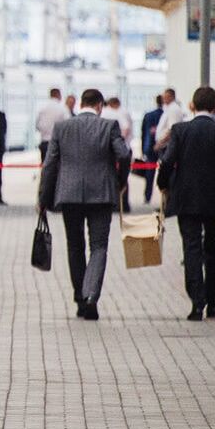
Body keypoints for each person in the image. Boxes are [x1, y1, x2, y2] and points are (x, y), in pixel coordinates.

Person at [39, 88, 130, 321]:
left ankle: (80, 298)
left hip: (69, 195)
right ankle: (91, 296)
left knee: (75, 246)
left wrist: (43, 198)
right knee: (99, 246)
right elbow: (124, 154)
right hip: (101, 194)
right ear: (100, 105)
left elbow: (49, 165)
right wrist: (120, 182)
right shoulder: (109, 126)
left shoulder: (63, 127)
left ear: (81, 104)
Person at [158, 87, 215, 322]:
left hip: (186, 200)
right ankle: (214, 301)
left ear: (191, 105)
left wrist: (162, 184)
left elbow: (167, 162)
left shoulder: (180, 130)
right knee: (213, 247)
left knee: (191, 248)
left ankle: (197, 303)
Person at [34, 88, 71, 163]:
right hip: (58, 144)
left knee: (45, 168)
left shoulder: (42, 108)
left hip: (44, 143)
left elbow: (37, 126)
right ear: (58, 95)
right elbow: (69, 126)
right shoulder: (63, 109)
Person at [140, 94, 164, 204]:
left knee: (149, 172)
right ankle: (164, 195)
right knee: (165, 171)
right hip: (163, 147)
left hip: (149, 147)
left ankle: (147, 195)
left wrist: (143, 149)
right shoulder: (165, 114)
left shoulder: (148, 115)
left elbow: (143, 133)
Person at [153, 87, 189, 152]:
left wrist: (160, 142)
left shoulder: (174, 109)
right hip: (164, 144)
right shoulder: (168, 108)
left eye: (166, 97)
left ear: (171, 97)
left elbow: (172, 129)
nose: (163, 99)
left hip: (167, 145)